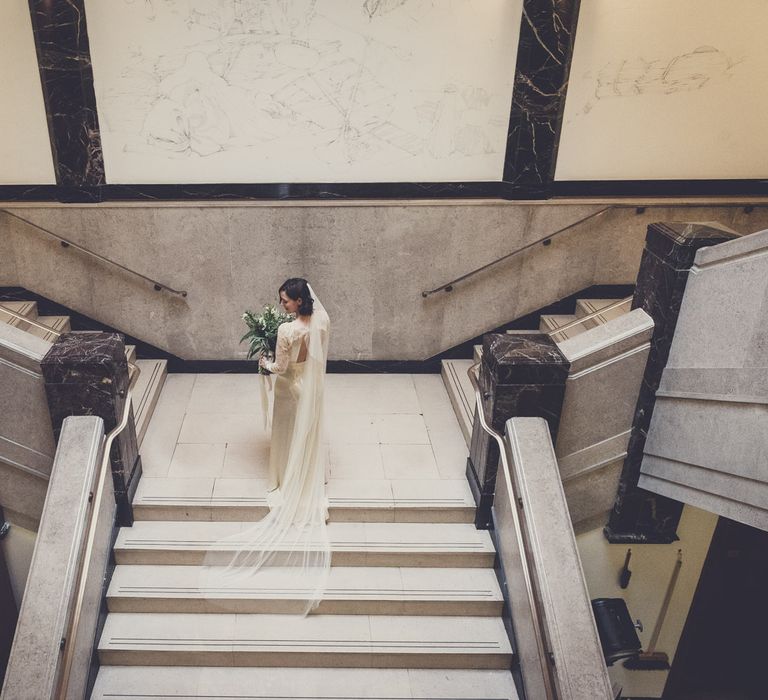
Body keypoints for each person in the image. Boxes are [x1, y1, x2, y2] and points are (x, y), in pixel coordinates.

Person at [203, 279, 330, 615]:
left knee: (286, 433)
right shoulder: (322, 321)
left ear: (299, 301)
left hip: (291, 389)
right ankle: (303, 471)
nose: (283, 305)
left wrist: (264, 364)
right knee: (305, 434)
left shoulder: (287, 332)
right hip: (312, 389)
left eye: (286, 301)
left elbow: (281, 369)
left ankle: (285, 476)